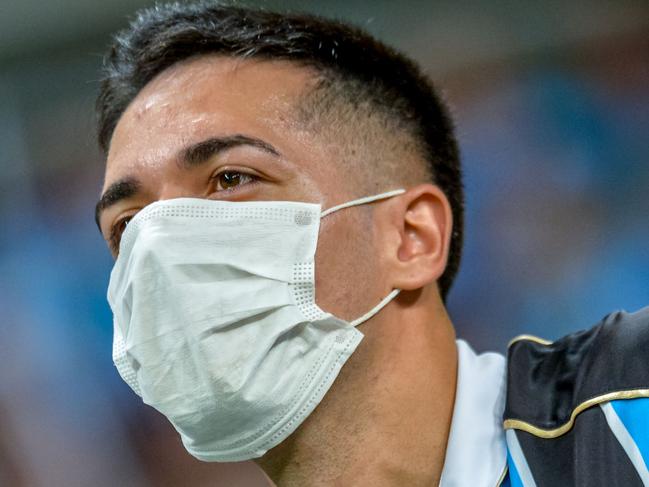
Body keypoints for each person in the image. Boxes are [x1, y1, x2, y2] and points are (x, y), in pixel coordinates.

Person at [94, 2, 649, 486]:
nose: (163, 252)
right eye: (128, 224)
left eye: (231, 178)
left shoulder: (630, 415)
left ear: (412, 237)